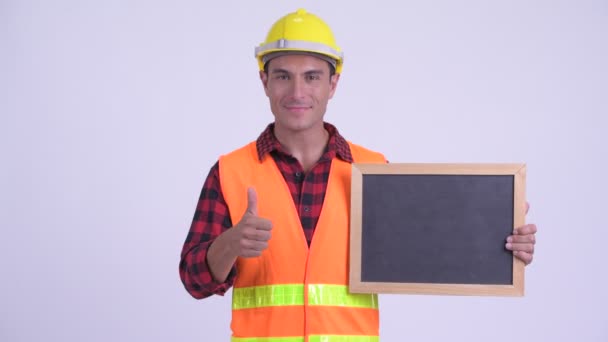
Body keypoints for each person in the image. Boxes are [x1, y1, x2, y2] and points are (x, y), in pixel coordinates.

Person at [179, 8, 538, 341]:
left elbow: (428, 249)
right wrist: (229, 244)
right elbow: (193, 281)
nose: (298, 91)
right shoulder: (230, 171)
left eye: (312, 77)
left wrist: (498, 241)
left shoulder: (373, 172)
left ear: (333, 84)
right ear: (264, 82)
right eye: (283, 76)